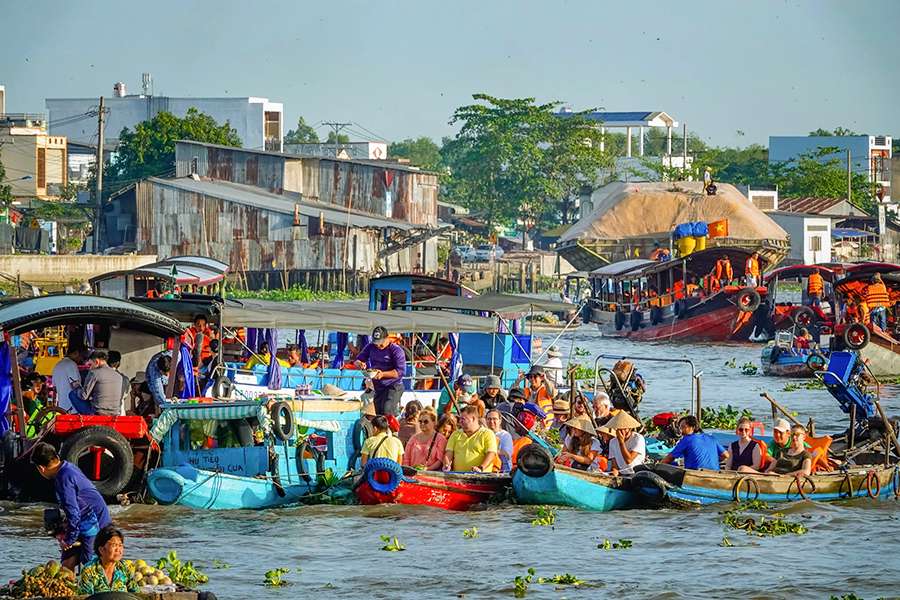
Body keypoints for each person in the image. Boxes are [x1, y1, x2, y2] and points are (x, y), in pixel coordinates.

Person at [31, 442, 111, 570]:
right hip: (86, 518)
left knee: (89, 567)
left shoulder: (63, 479)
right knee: (67, 560)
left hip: (95, 523)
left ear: (41, 468)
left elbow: (74, 513)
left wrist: (69, 540)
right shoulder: (68, 467)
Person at [354, 326, 407, 416]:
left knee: (387, 411)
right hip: (378, 386)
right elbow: (357, 360)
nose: (378, 345)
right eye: (376, 343)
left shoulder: (396, 350)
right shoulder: (370, 347)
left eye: (381, 343)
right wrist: (360, 364)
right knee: (378, 414)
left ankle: (395, 429)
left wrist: (383, 374)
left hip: (393, 386)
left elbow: (400, 372)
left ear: (387, 338)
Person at [77, 526, 139, 595]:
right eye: (114, 545)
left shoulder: (126, 568)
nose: (118, 550)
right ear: (101, 549)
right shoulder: (89, 571)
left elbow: (136, 594)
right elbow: (85, 597)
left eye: (120, 545)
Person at [660, 415, 728, 471]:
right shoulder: (712, 438)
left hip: (695, 473)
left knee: (672, 464)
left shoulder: (686, 439)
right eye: (680, 428)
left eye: (683, 427)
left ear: (692, 427)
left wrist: (658, 465)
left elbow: (669, 458)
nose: (681, 431)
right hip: (715, 472)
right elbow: (726, 455)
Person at [71, 351, 128, 416]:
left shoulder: (94, 373)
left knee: (72, 394)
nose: (90, 368)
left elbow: (84, 396)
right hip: (115, 412)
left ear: (97, 362)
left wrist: (77, 387)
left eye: (91, 364)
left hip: (98, 412)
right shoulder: (119, 376)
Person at [443, 405, 498, 472]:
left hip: (480, 478)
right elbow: (449, 453)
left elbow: (491, 454)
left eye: (463, 419)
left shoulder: (487, 434)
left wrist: (481, 468)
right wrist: (446, 464)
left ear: (473, 419)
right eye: (460, 419)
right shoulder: (455, 434)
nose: (460, 421)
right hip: (457, 477)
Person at [605, 411, 646, 475]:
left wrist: (621, 442)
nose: (621, 431)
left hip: (637, 473)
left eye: (624, 428)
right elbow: (614, 464)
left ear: (629, 428)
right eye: (619, 428)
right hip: (622, 474)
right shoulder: (612, 442)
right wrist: (614, 471)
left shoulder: (638, 438)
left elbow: (628, 460)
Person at [51, 346, 83, 413]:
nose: (81, 359)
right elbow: (75, 385)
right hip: (73, 407)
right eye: (81, 356)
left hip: (61, 408)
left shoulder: (57, 365)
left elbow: (54, 389)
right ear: (76, 353)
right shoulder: (71, 364)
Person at [106, 351, 130, 416]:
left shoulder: (100, 376)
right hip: (119, 411)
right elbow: (125, 395)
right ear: (117, 363)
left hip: (103, 412)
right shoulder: (124, 379)